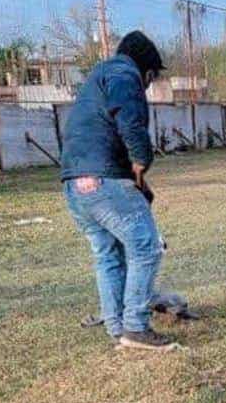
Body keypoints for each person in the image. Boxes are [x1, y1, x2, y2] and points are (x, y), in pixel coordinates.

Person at [61, 30, 175, 352]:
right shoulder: (126, 75)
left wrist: (137, 181)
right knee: (146, 247)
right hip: (104, 180)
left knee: (108, 254)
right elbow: (130, 123)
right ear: (148, 71)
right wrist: (141, 159)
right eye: (152, 78)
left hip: (74, 184)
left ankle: (117, 329)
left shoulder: (98, 76)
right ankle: (136, 327)